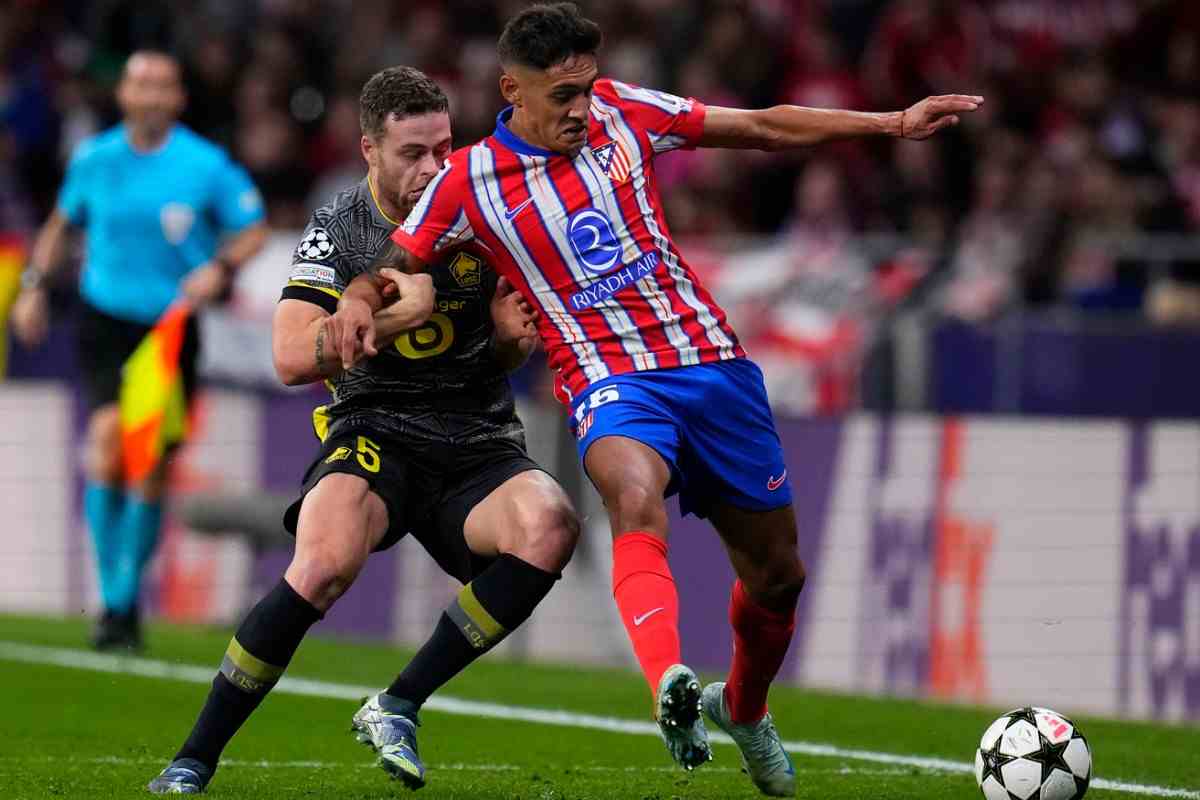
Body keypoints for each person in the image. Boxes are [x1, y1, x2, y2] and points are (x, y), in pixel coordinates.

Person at [329, 4, 981, 796]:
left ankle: (743, 708)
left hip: (713, 367)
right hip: (607, 378)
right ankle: (668, 679)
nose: (579, 108)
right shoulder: (467, 181)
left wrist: (892, 123)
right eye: (561, 94)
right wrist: (360, 302)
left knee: (778, 576)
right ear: (512, 90)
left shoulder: (625, 112)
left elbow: (764, 127)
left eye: (585, 88)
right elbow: (394, 263)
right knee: (633, 499)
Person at [147, 66, 579, 795]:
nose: (435, 167)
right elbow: (289, 355)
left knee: (553, 524)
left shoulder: (483, 213)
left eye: (444, 147)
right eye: (413, 153)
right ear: (370, 152)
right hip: (372, 429)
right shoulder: (343, 227)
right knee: (320, 567)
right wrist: (391, 318)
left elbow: (508, 341)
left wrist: (510, 341)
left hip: (475, 437)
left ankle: (398, 703)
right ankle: (194, 758)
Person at [9, 51, 267, 651]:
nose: (149, 94)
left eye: (161, 85)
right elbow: (59, 225)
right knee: (105, 445)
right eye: (139, 83)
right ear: (123, 93)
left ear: (177, 97)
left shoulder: (205, 165)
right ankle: (116, 599)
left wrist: (220, 267)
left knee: (149, 465)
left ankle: (123, 600)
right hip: (105, 321)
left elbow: (252, 229)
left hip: (170, 329)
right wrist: (32, 289)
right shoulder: (95, 159)